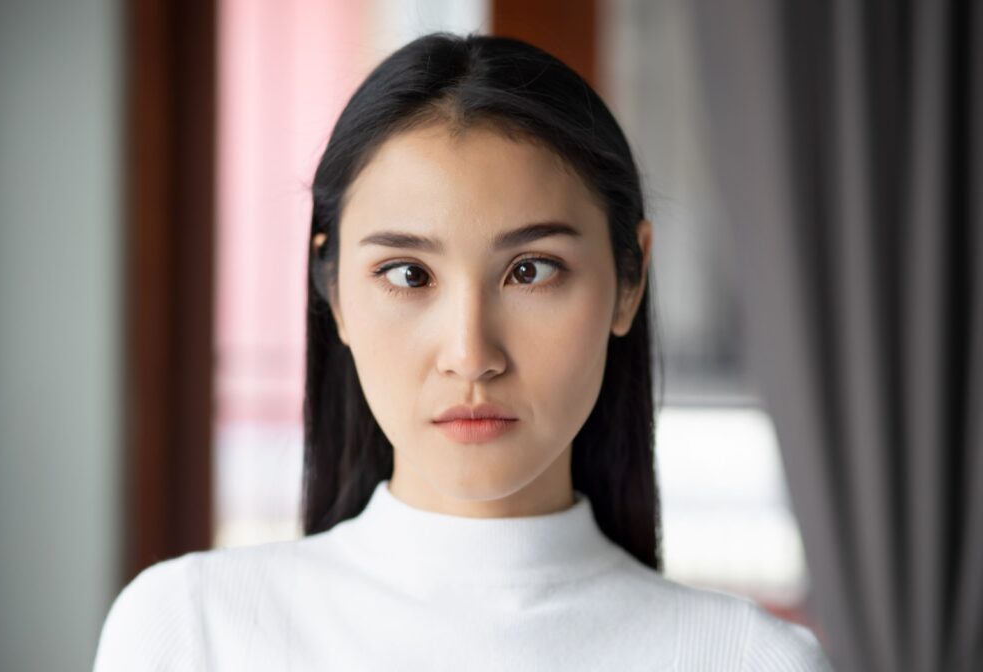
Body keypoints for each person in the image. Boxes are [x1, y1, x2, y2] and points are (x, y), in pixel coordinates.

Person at [93, 31, 833, 670]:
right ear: (335, 289)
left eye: (531, 271)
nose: (470, 353)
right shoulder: (191, 633)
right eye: (408, 275)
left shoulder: (749, 662)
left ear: (629, 279)